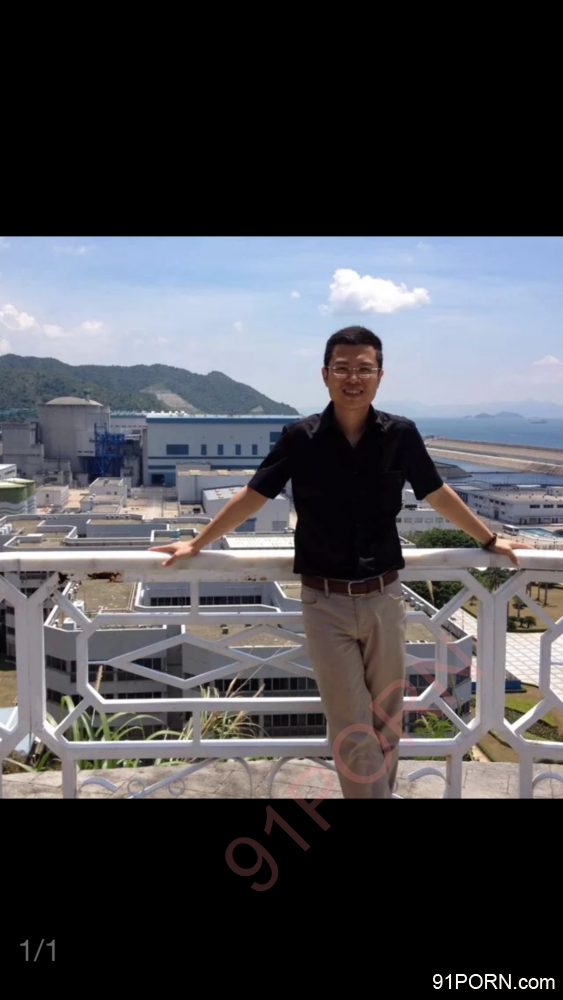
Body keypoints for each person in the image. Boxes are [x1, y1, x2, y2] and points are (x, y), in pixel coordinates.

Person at [151, 326, 531, 799]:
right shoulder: (300, 437)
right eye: (343, 368)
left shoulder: (400, 435)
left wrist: (489, 538)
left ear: (380, 375)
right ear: (325, 375)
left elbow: (435, 492)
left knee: (386, 724)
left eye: (364, 369)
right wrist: (198, 542)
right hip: (325, 602)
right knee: (352, 729)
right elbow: (254, 494)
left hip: (385, 598)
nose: (354, 378)